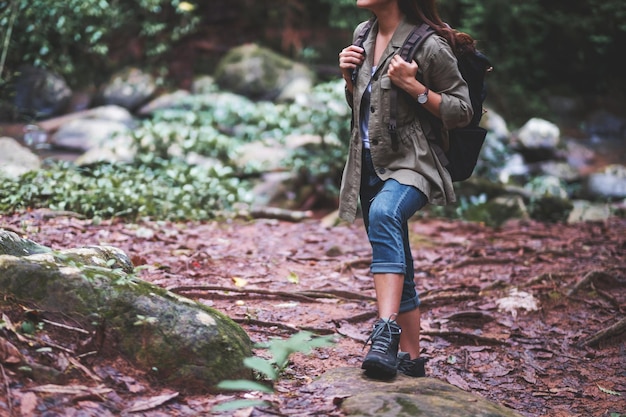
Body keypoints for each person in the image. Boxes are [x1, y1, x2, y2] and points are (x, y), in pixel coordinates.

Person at [338, 0, 474, 379]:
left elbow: (463, 110)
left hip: (413, 162)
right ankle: (411, 359)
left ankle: (384, 334)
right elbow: (363, 107)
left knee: (385, 213)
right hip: (368, 163)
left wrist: (415, 88)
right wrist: (348, 78)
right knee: (397, 256)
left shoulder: (428, 45)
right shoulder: (362, 35)